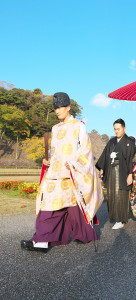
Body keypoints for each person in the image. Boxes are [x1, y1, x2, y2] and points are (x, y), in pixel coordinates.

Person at [21, 92, 103, 252]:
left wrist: (74, 164)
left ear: (68, 107)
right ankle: (41, 240)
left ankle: (81, 234)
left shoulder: (79, 126)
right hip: (55, 175)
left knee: (73, 209)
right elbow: (55, 153)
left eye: (60, 107)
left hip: (71, 174)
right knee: (50, 208)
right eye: (55, 108)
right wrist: (48, 160)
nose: (57, 111)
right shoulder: (55, 128)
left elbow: (86, 151)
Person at [96, 119, 136, 230]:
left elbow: (131, 160)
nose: (116, 131)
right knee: (112, 194)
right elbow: (105, 155)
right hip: (111, 170)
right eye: (115, 129)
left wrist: (130, 174)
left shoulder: (129, 142)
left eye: (118, 129)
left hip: (123, 171)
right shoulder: (112, 141)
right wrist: (102, 168)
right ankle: (114, 216)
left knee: (121, 195)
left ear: (124, 128)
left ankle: (121, 219)